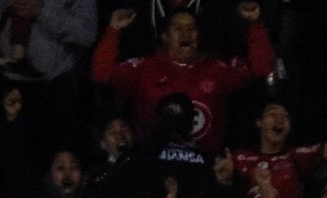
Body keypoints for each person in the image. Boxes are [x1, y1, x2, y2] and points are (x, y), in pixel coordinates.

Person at [90, 4, 274, 154]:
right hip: (154, 165)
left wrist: (255, 24)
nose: (186, 34)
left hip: (205, 168)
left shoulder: (217, 69)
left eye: (192, 29)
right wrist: (113, 31)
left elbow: (261, 68)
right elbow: (102, 74)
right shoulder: (144, 68)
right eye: (178, 28)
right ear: (165, 37)